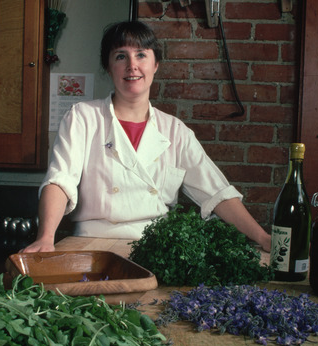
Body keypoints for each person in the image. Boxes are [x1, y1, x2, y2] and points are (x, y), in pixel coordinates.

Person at [21, 20, 271, 253]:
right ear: (108, 67)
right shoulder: (83, 117)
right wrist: (45, 237)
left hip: (155, 248)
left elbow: (217, 193)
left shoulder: (175, 131)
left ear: (155, 64)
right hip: (91, 244)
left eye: (141, 55)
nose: (132, 65)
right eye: (121, 56)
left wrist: (263, 239)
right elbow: (59, 180)